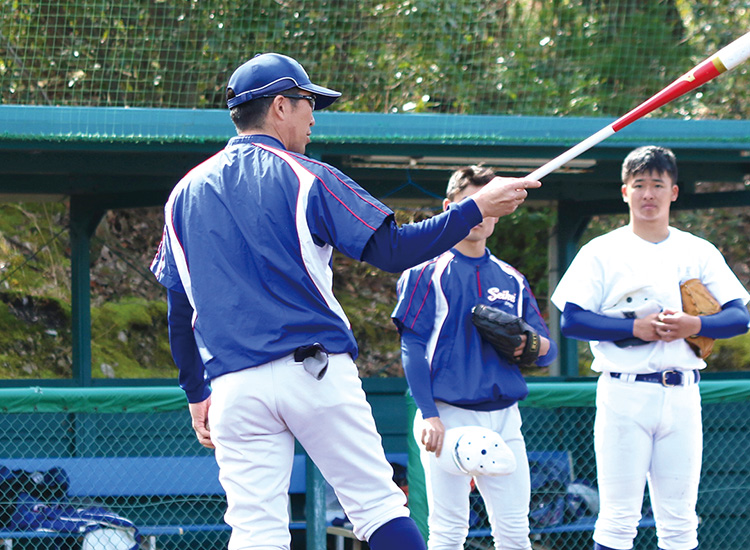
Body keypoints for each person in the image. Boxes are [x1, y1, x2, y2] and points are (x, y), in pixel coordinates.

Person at [149, 52, 541, 550]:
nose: (313, 116)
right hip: (312, 371)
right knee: (377, 508)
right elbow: (395, 249)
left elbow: (178, 310)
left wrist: (195, 392)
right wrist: (474, 209)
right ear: (279, 107)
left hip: (232, 386)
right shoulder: (306, 175)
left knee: (255, 532)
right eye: (308, 102)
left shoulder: (182, 193)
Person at [550, 145, 750, 550]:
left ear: (673, 192)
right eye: (639, 184)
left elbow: (739, 316)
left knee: (679, 520)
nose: (648, 194)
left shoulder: (698, 250)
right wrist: (631, 328)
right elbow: (571, 320)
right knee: (619, 517)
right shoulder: (602, 251)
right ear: (625, 192)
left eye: (657, 185)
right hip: (625, 389)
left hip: (682, 390)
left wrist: (695, 324)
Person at [391, 165, 558, 550]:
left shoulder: (511, 278)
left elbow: (545, 349)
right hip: (449, 415)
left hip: (504, 416)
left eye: (487, 204)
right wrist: (428, 413)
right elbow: (412, 345)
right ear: (450, 207)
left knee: (515, 531)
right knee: (449, 531)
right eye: (470, 203)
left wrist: (527, 344)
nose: (480, 214)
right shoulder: (425, 271)